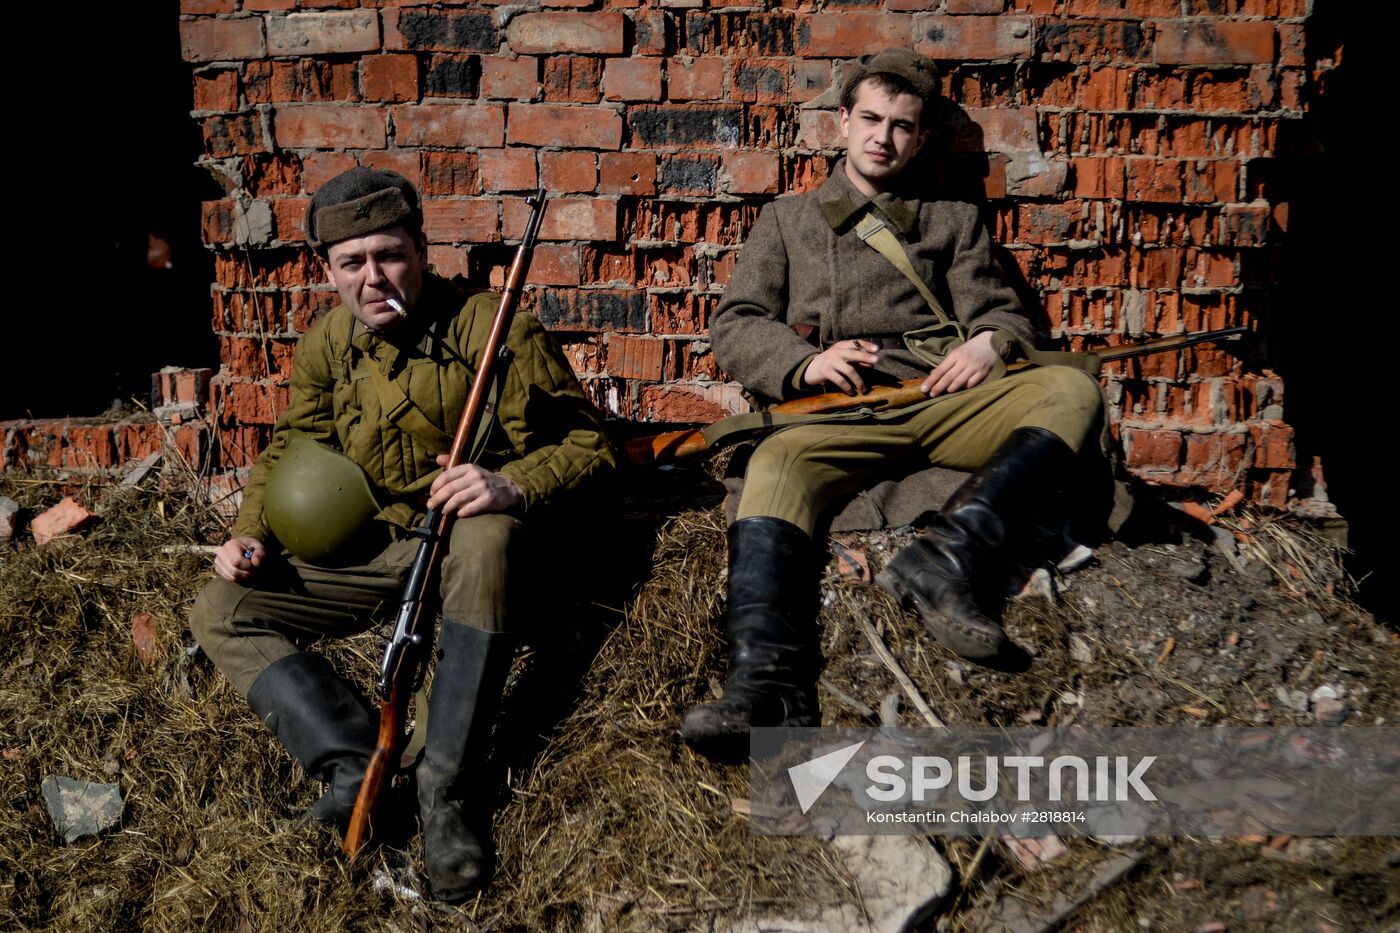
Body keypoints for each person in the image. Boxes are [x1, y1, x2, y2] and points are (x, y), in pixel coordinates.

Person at [189, 168, 617, 900]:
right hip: (368, 549)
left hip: (462, 551)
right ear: (328, 271)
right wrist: (248, 532)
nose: (373, 276)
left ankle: (445, 792)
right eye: (351, 262)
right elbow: (293, 442)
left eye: (389, 254)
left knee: (486, 537)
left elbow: (589, 446)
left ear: (422, 249)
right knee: (219, 607)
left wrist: (508, 483)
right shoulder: (329, 342)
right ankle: (356, 763)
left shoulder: (493, 329)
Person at [681, 50, 1105, 760]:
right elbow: (735, 322)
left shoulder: (952, 220)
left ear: (921, 139)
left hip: (944, 404)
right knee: (775, 466)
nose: (883, 138)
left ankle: (946, 560)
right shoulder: (788, 221)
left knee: (1071, 389)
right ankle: (765, 683)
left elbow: (1002, 313)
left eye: (902, 127)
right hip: (840, 416)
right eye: (870, 120)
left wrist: (989, 345)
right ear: (842, 123)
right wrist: (805, 362)